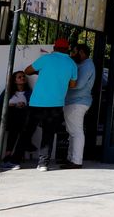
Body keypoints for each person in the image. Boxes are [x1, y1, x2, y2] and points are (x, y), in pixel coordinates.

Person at [17, 38, 77, 172]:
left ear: (54, 48)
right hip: (56, 104)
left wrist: (41, 72)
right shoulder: (72, 64)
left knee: (27, 132)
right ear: (67, 49)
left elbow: (27, 71)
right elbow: (73, 85)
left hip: (37, 102)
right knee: (48, 134)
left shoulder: (46, 59)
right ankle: (43, 163)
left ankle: (14, 161)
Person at [61, 43, 95, 169]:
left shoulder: (87, 65)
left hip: (77, 102)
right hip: (74, 102)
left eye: (74, 51)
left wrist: (62, 83)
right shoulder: (82, 65)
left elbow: (78, 84)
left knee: (76, 132)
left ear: (81, 52)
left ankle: (76, 161)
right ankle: (71, 159)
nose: (71, 54)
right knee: (72, 132)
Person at [0, 71, 33, 169]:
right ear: (14, 80)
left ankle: (7, 156)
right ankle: (28, 143)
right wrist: (11, 105)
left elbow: (33, 105)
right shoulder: (8, 91)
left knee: (18, 123)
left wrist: (24, 105)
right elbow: (0, 104)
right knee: (16, 120)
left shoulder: (29, 92)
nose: (22, 78)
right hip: (8, 120)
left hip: (21, 121)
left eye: (23, 76)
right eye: (19, 77)